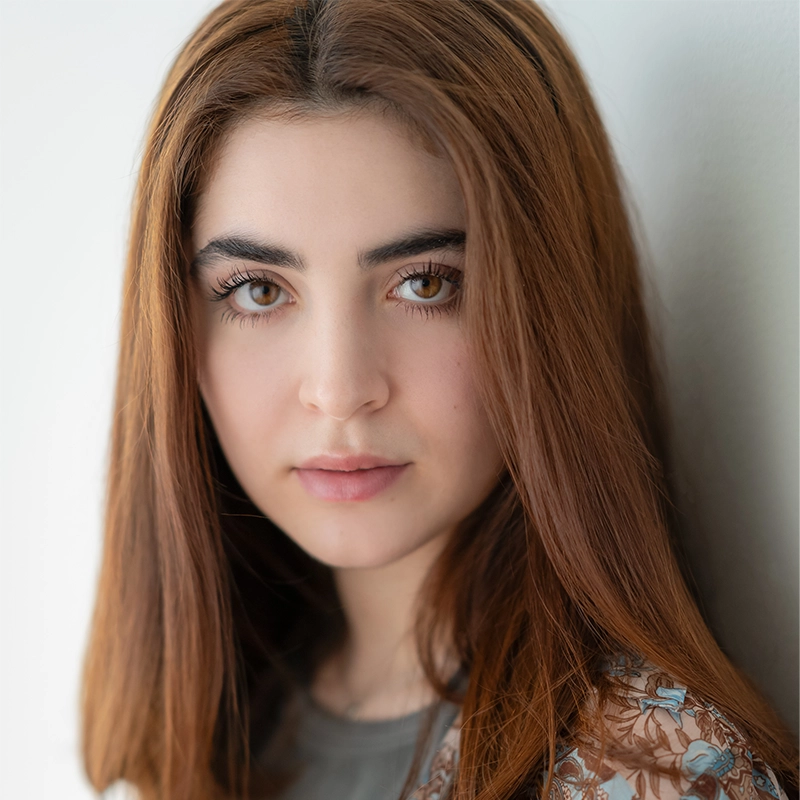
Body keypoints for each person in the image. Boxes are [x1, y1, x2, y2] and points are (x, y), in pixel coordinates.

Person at [79, 1, 799, 799]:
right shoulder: (218, 730)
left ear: (548, 310)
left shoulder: (651, 771)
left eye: (425, 283)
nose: (339, 390)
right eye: (258, 290)